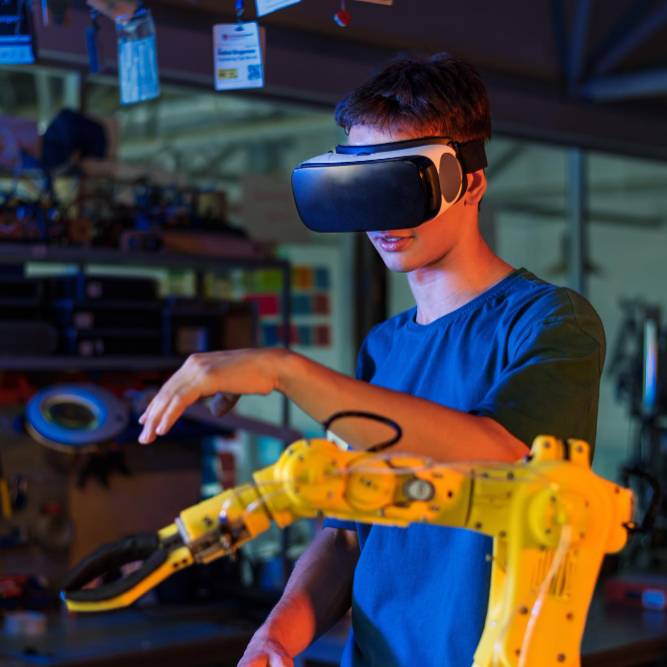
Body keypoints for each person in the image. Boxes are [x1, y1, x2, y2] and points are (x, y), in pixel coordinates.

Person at [137, 54, 605, 667]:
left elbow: (504, 459)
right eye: (363, 188)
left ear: (470, 182)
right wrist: (278, 636)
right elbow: (346, 534)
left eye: (400, 188)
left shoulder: (547, 321)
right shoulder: (382, 348)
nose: (381, 219)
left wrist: (289, 371)